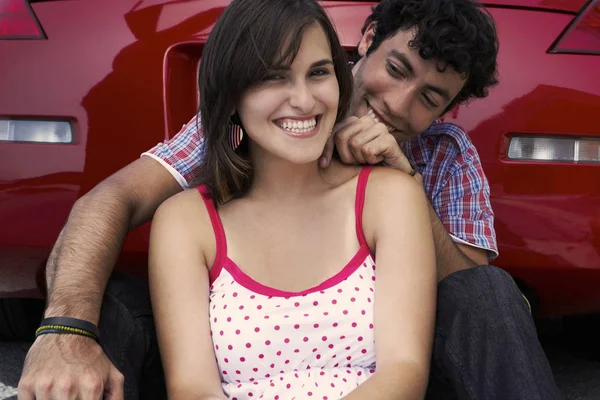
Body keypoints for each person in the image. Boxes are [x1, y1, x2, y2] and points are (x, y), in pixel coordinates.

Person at [18, 0, 563, 399]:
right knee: (106, 304)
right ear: (368, 38)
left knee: (491, 291)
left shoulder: (443, 156)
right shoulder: (249, 123)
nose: (398, 103)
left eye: (429, 98)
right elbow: (107, 202)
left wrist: (407, 182)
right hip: (222, 353)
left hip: (394, 364)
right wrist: (64, 330)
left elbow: (477, 300)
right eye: (397, 70)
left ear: (446, 110)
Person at [148, 0, 437, 398]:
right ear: (232, 96)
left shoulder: (389, 198)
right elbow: (192, 388)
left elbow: (405, 370)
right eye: (273, 77)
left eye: (318, 72)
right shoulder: (186, 222)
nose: (304, 100)